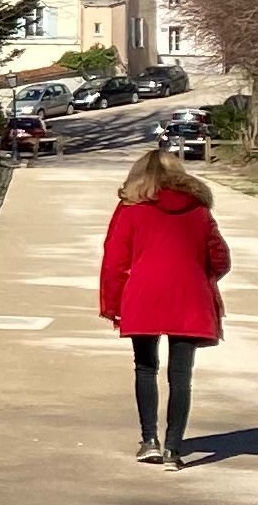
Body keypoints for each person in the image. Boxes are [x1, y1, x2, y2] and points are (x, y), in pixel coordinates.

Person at [97, 145, 231, 464]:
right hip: (189, 297)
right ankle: (174, 447)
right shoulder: (198, 210)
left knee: (145, 367)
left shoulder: (130, 208)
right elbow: (220, 259)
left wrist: (113, 303)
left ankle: (149, 440)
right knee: (181, 374)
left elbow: (114, 260)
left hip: (144, 295)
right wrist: (199, 274)